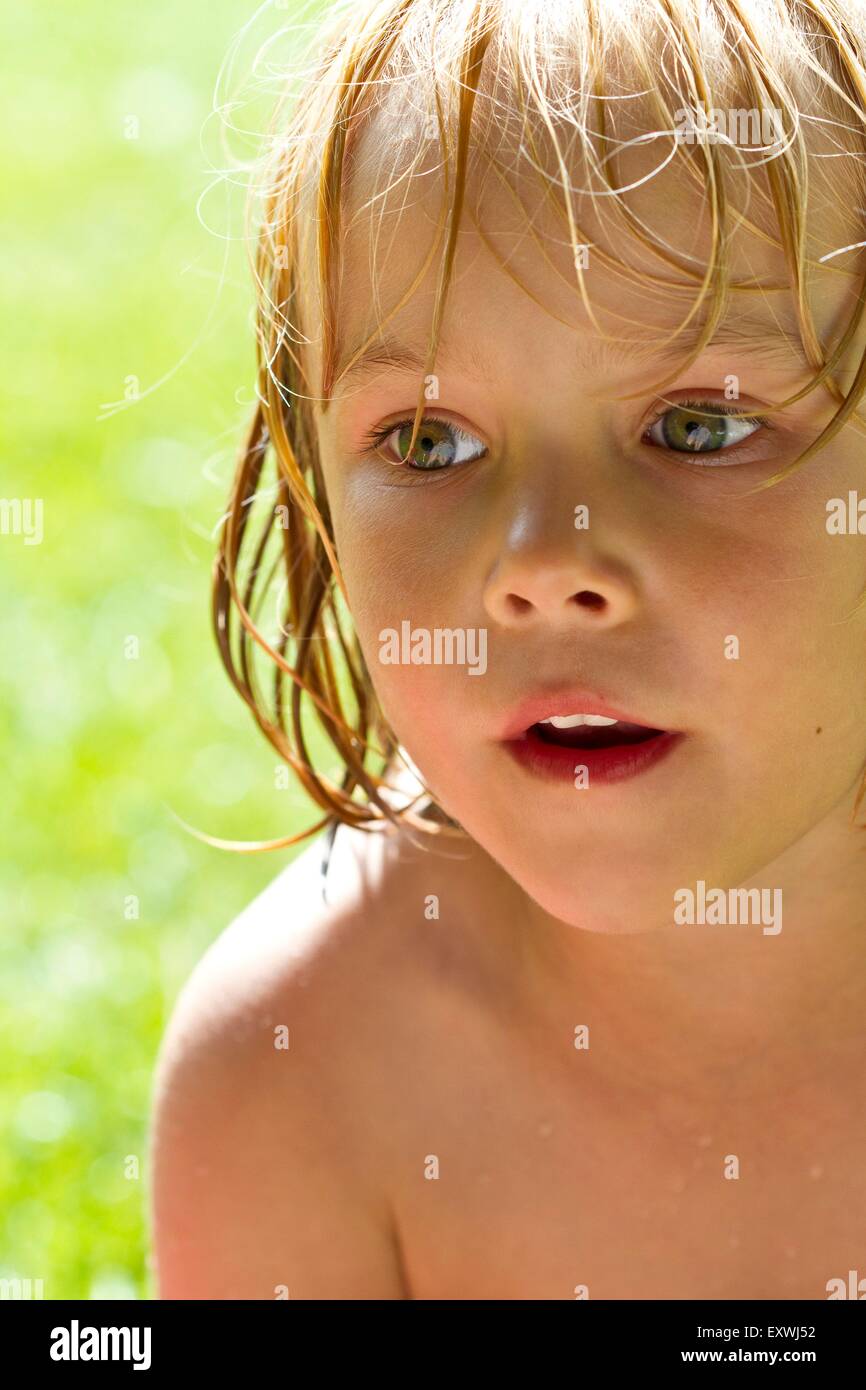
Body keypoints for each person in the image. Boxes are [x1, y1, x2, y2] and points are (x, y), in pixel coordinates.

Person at [150, 0, 866, 1299]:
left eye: (699, 426)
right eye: (428, 442)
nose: (544, 566)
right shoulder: (301, 1066)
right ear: (309, 490)